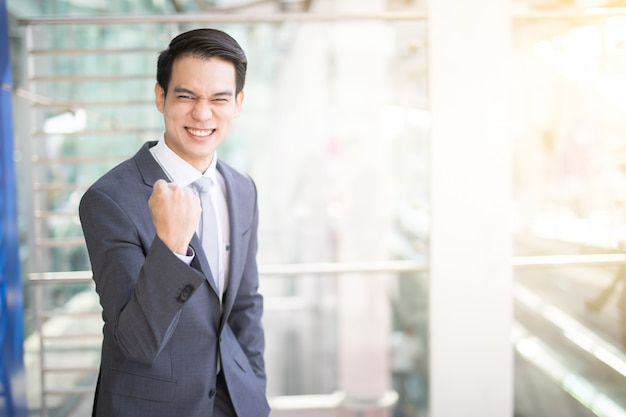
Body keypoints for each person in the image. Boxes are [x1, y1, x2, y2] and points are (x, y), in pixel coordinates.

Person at [79, 28, 269, 417]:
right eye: (186, 96)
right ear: (160, 97)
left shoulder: (242, 189)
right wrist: (172, 249)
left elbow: (245, 304)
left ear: (238, 103)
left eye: (219, 99)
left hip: (233, 402)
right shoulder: (110, 200)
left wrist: (253, 384)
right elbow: (135, 342)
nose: (202, 113)